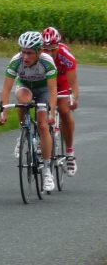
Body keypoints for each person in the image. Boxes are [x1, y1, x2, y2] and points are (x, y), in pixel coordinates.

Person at [0, 31, 57, 191]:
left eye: (29, 53)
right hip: (24, 86)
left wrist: (51, 113)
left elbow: (52, 91)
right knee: (23, 102)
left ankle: (46, 171)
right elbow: (6, 88)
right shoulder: (15, 61)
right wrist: (2, 111)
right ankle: (23, 132)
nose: (25, 56)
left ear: (39, 51)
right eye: (23, 52)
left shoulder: (47, 62)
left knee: (44, 126)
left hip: (43, 90)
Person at [41, 26, 79, 176]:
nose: (49, 53)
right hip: (44, 82)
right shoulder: (38, 55)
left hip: (61, 82)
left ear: (58, 46)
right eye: (45, 49)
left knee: (64, 110)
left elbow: (73, 83)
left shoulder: (66, 55)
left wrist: (73, 98)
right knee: (40, 108)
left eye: (52, 49)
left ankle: (69, 152)